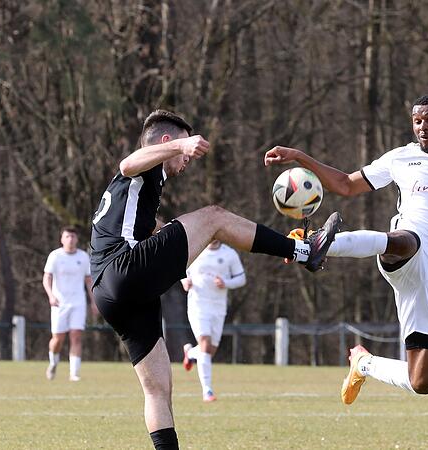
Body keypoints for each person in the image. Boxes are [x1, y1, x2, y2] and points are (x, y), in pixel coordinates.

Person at [89, 109, 341, 450]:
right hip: (123, 269)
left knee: (158, 389)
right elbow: (128, 163)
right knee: (213, 217)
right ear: (168, 142)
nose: (187, 161)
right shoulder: (143, 167)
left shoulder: (140, 195)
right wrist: (182, 145)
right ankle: (304, 251)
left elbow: (155, 234)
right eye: (181, 148)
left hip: (110, 292)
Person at [264, 94, 428, 405]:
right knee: (406, 239)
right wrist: (300, 156)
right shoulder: (400, 157)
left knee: (422, 382)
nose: (422, 127)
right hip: (402, 250)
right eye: (417, 121)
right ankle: (314, 245)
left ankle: (363, 364)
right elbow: (346, 184)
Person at [180, 240, 246, 402]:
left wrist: (226, 283)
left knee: (209, 351)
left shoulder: (229, 254)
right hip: (197, 304)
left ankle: (190, 353)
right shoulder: (195, 249)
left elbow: (241, 278)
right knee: (205, 343)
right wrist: (184, 281)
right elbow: (180, 270)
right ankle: (207, 391)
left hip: (218, 307)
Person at [42, 226, 97, 381]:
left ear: (77, 239)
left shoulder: (84, 257)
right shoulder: (55, 256)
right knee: (58, 339)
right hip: (59, 303)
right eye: (67, 236)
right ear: (62, 239)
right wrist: (51, 296)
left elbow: (88, 280)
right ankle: (53, 362)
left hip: (78, 302)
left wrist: (93, 302)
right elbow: (47, 278)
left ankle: (74, 373)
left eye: (73, 236)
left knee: (76, 336)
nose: (70, 240)